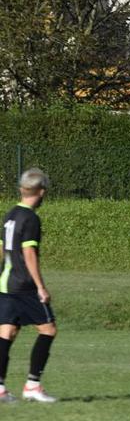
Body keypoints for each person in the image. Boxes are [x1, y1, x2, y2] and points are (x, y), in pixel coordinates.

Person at [0, 169, 58, 404]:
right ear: (41, 192)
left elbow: (2, 249)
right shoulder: (31, 218)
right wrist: (40, 287)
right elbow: (29, 252)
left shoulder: (10, 214)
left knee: (6, 333)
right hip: (24, 285)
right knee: (48, 330)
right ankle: (33, 385)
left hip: (6, 283)